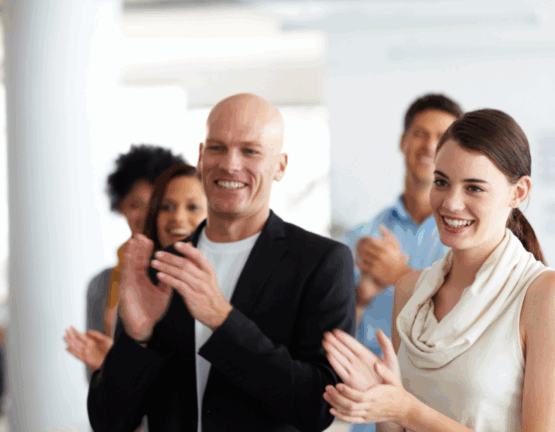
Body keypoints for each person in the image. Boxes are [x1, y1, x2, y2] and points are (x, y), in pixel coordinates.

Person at [87, 93, 356, 432]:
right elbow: (108, 422)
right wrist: (137, 338)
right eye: (217, 148)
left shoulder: (321, 263)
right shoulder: (161, 268)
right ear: (201, 157)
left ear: (280, 166)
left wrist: (222, 319)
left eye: (250, 151)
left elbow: (318, 406)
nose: (230, 164)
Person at [322, 109, 555, 432]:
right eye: (442, 182)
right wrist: (383, 402)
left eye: (474, 188)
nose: (450, 203)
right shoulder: (410, 291)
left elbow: (408, 412)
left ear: (519, 192)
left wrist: (406, 410)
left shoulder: (549, 295)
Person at [342, 94, 461, 362]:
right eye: (420, 134)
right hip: (367, 379)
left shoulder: (470, 241)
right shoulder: (360, 239)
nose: (430, 146)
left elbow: (471, 318)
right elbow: (331, 336)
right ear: (403, 142)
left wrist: (399, 274)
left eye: (442, 137)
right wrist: (361, 296)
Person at [64, 164, 207, 372]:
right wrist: (115, 365)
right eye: (166, 207)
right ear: (120, 207)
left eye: (192, 206)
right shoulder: (104, 283)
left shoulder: (210, 278)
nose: (145, 214)